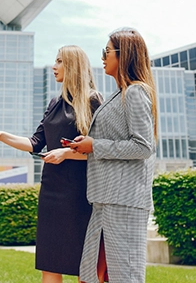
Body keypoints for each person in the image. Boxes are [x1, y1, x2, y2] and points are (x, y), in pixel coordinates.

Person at [0, 45, 103, 283]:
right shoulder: (54, 103)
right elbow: (35, 143)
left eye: (59, 61)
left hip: (81, 193)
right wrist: (1, 135)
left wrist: (66, 154)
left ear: (73, 66)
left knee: (85, 263)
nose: (54, 66)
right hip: (51, 190)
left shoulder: (93, 101)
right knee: (50, 261)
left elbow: (101, 151)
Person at [69, 28, 158, 283]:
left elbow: (143, 146)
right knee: (91, 277)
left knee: (124, 277)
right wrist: (86, 146)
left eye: (106, 52)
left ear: (125, 55)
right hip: (105, 201)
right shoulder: (120, 94)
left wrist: (94, 145)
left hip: (123, 202)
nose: (102, 58)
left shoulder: (135, 92)